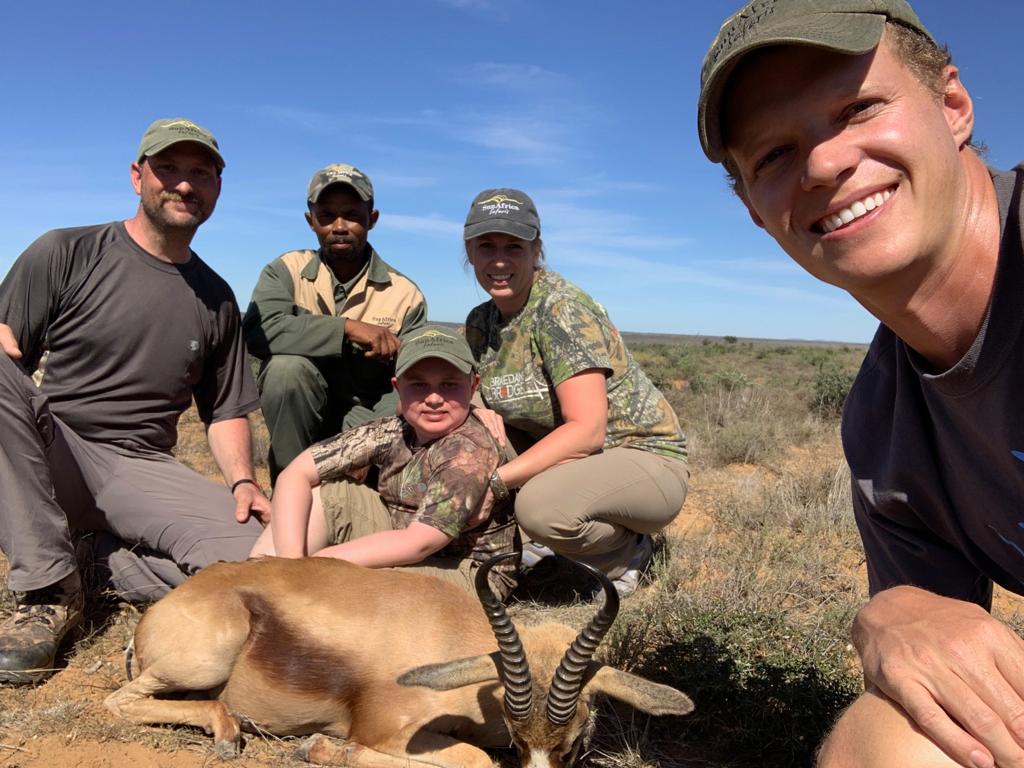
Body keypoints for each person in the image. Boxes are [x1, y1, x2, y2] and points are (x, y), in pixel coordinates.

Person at [698, 1, 1024, 766]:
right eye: (774, 155)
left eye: (857, 109)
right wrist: (895, 610)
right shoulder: (884, 431)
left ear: (953, 105)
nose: (822, 165)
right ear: (755, 211)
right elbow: (927, 679)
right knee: (892, 736)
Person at [0, 118, 269, 684]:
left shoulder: (216, 297)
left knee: (260, 564)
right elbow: (10, 361)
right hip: (55, 451)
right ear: (136, 175)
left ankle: (97, 562)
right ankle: (48, 590)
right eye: (167, 168)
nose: (184, 184)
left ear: (218, 187)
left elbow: (224, 410)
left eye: (200, 173)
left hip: (141, 466)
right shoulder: (65, 251)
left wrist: (244, 482)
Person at [460, 189, 689, 597]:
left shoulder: (559, 309)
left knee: (538, 508)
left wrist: (495, 483)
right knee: (466, 439)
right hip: (577, 462)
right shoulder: (480, 322)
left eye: (514, 247)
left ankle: (626, 552)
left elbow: (587, 431)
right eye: (486, 246)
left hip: (643, 458)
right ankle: (527, 542)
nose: (499, 260)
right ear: (470, 253)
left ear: (536, 251)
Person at [249, 324, 518, 598]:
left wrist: (317, 564)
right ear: (398, 387)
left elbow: (420, 543)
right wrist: (292, 562)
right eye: (419, 385)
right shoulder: (393, 429)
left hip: (467, 571)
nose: (434, 398)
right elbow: (295, 473)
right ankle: (255, 585)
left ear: (473, 386)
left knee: (340, 586)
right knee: (325, 495)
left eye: (449, 385)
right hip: (401, 535)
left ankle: (277, 597)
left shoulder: (469, 448)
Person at [242, 164, 427, 482]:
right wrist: (347, 329)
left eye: (352, 215)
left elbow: (416, 377)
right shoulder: (286, 271)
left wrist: (363, 441)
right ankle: (288, 486)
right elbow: (259, 330)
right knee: (286, 370)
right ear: (310, 220)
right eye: (327, 215)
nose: (339, 227)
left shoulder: (405, 294)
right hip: (299, 425)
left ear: (372, 219)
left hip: (368, 424)